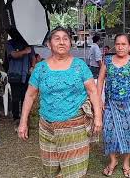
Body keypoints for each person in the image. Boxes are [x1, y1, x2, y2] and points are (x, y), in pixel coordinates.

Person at [17, 27, 102, 178]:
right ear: (49, 44)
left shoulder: (80, 65)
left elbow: (93, 91)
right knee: (51, 168)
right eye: (57, 38)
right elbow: (30, 96)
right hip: (47, 125)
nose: (62, 42)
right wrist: (23, 122)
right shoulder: (40, 68)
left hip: (75, 125)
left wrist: (98, 118)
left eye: (65, 38)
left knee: (75, 169)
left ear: (70, 43)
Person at [97, 34, 130, 177]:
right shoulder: (107, 60)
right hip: (111, 104)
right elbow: (100, 80)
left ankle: (126, 163)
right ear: (115, 45)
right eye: (118, 44)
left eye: (123, 44)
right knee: (109, 133)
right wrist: (99, 99)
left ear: (129, 46)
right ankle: (113, 160)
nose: (120, 47)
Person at [6, 39, 34, 126]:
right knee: (15, 98)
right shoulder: (10, 43)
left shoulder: (29, 42)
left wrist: (33, 66)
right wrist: (25, 51)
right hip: (15, 75)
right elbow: (13, 54)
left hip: (26, 75)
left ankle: (24, 117)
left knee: (25, 97)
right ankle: (16, 118)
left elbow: (33, 56)